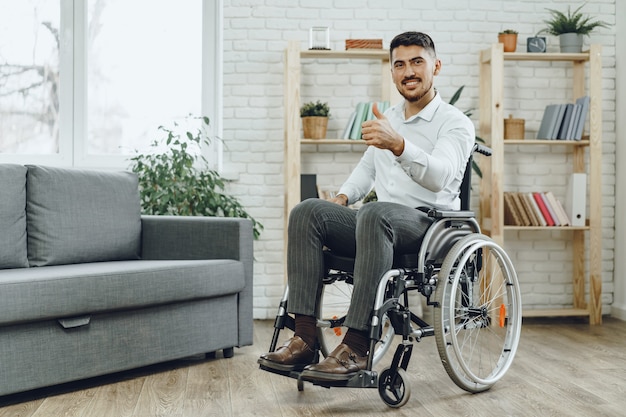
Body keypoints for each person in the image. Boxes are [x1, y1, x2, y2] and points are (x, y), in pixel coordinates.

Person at [259, 31, 475, 382]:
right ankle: (304, 339)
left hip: (428, 226)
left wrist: (400, 145)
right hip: (379, 225)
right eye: (400, 64)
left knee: (375, 213)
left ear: (436, 66)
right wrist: (342, 198)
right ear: (392, 72)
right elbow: (367, 169)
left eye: (417, 62)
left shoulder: (454, 123)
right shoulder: (390, 115)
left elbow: (442, 177)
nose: (409, 72)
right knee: (307, 211)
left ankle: (356, 346)